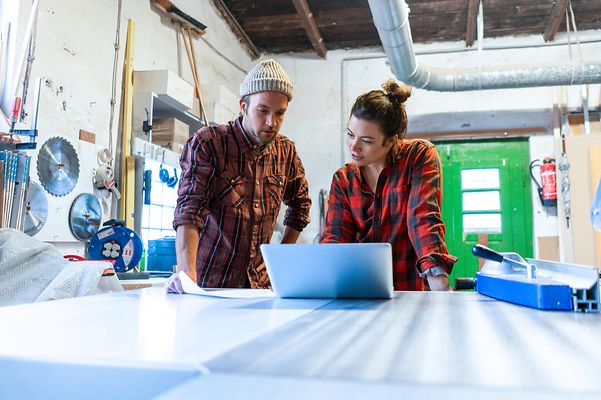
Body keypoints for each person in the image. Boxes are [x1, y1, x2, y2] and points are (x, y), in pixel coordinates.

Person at [166, 59, 311, 293]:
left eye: (280, 114)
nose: (271, 122)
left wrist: (281, 258)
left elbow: (300, 205)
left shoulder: (286, 152)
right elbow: (189, 211)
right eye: (262, 111)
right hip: (211, 285)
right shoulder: (208, 144)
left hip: (261, 288)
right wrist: (186, 274)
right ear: (243, 106)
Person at [321, 79, 457, 291]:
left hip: (410, 293)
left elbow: (422, 218)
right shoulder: (343, 179)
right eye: (350, 134)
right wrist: (321, 278)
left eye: (366, 140)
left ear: (391, 141)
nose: (354, 146)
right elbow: (336, 239)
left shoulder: (419, 156)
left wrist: (439, 284)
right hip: (361, 295)